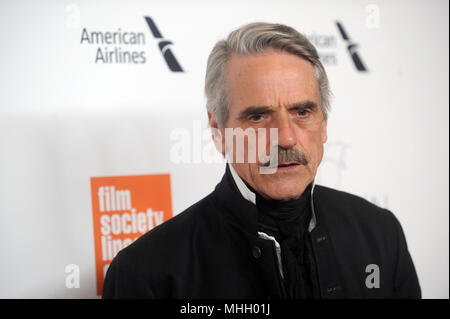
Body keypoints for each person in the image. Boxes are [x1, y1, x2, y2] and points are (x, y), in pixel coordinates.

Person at [102, 22, 421, 299]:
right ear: (219, 132)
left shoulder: (381, 233)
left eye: (302, 111)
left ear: (324, 124)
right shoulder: (147, 272)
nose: (286, 138)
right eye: (257, 116)